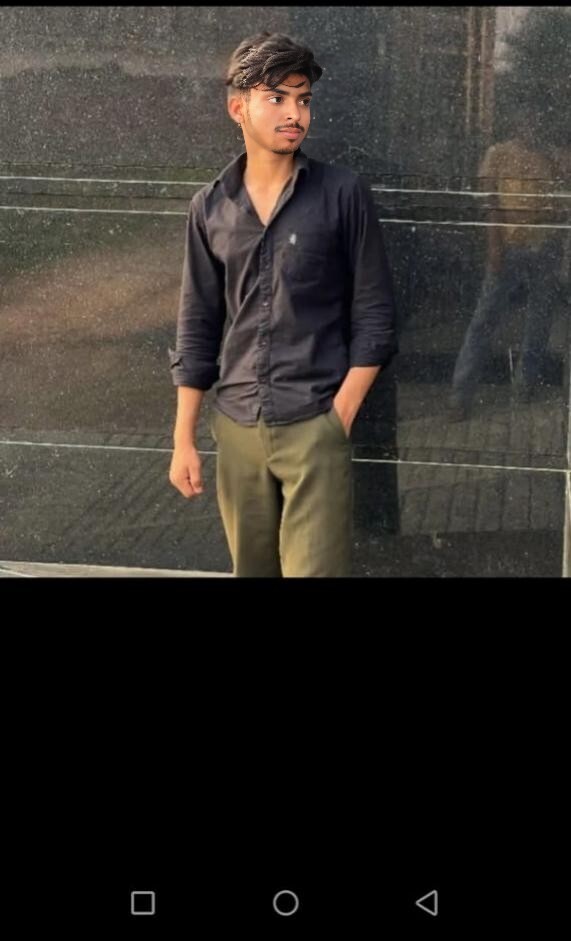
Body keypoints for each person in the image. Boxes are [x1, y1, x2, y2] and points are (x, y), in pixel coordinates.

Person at [168, 31, 397, 577]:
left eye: (304, 99)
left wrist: (337, 419)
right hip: (237, 427)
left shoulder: (342, 194)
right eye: (277, 98)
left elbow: (376, 317)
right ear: (238, 108)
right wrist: (183, 440)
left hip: (315, 422)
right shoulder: (210, 207)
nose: (295, 114)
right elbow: (197, 326)